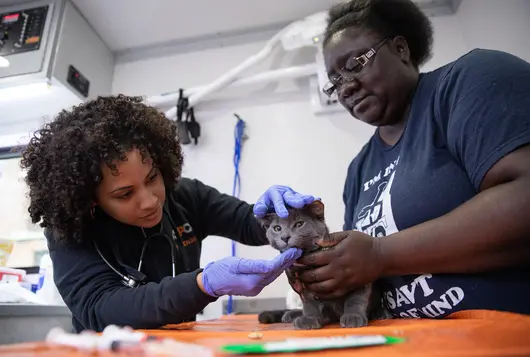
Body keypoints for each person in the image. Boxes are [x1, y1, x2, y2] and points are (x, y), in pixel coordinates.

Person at [254, 0, 530, 319]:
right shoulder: (359, 169)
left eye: (355, 64)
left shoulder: (471, 82)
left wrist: (380, 253)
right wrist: (322, 284)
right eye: (335, 82)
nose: (346, 87)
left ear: (400, 49)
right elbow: (364, 277)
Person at [20, 95, 303, 332]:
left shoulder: (185, 197)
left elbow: (247, 222)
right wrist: (202, 285)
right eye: (124, 194)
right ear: (90, 200)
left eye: (153, 177)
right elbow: (101, 308)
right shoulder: (70, 230)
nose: (150, 200)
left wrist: (277, 216)